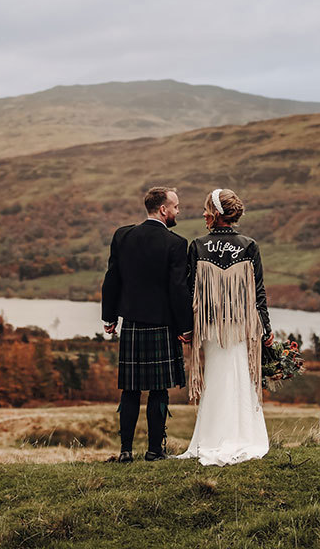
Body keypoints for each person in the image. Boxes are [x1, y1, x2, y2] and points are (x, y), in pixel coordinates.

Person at [179, 188, 274, 466]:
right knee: (241, 378)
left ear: (216, 214)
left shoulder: (198, 245)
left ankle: (211, 437)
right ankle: (243, 435)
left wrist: (187, 328)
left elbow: (189, 291)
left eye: (207, 208)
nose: (204, 213)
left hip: (210, 327)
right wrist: (265, 330)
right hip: (241, 326)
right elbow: (258, 294)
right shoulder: (248, 245)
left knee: (217, 378)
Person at [101, 186, 193, 463]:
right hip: (161, 324)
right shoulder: (176, 243)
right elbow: (179, 289)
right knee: (158, 390)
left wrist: (109, 317)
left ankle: (126, 451)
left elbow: (112, 278)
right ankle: (155, 451)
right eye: (175, 206)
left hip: (130, 322)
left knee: (129, 389)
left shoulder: (123, 235)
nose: (178, 211)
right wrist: (185, 328)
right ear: (163, 209)